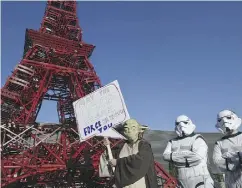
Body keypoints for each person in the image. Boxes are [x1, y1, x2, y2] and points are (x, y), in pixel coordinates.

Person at [98, 118, 158, 188]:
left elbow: (140, 160)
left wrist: (118, 162)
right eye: (126, 128)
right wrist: (107, 147)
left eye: (133, 128)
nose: (129, 131)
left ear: (140, 130)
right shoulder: (120, 146)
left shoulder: (144, 146)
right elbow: (109, 159)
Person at [163, 115, 214, 188]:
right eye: (178, 124)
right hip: (181, 180)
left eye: (185, 123)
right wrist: (187, 154)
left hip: (200, 179)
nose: (181, 126)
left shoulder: (198, 139)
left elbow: (197, 158)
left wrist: (174, 157)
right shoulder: (172, 141)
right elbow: (165, 156)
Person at [212, 110, 242, 188]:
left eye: (228, 118)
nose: (224, 122)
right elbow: (217, 162)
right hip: (231, 183)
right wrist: (238, 156)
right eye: (220, 120)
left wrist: (226, 157)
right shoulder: (219, 143)